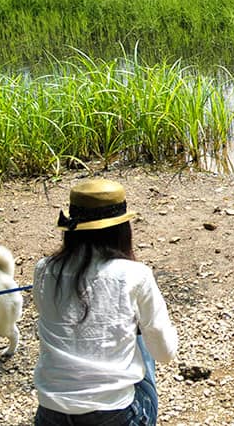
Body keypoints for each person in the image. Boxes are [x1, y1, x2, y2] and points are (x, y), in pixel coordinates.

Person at [33, 178, 179, 426]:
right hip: (115, 413)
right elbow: (165, 354)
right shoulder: (135, 274)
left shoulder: (43, 269)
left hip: (50, 411)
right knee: (144, 341)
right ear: (122, 229)